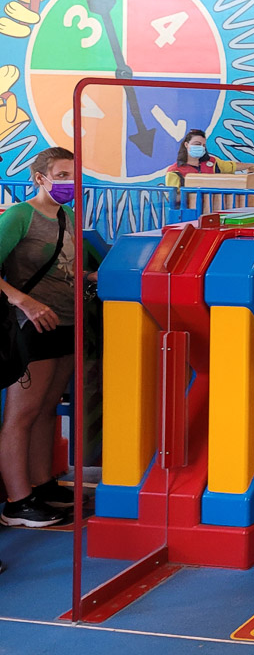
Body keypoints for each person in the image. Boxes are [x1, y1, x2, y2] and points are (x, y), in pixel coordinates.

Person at [0, 147, 101, 528]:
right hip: (31, 327)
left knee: (45, 411)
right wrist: (23, 301)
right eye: (61, 175)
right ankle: (17, 501)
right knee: (21, 414)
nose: (69, 183)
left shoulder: (68, 216)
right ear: (40, 178)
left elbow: (72, 269)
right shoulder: (19, 216)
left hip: (66, 322)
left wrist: (93, 279)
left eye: (73, 175)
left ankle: (42, 484)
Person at [163, 130, 251, 187]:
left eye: (203, 145)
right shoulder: (174, 171)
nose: (201, 147)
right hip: (189, 211)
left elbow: (234, 166)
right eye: (197, 144)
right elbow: (173, 199)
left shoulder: (213, 162)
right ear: (186, 145)